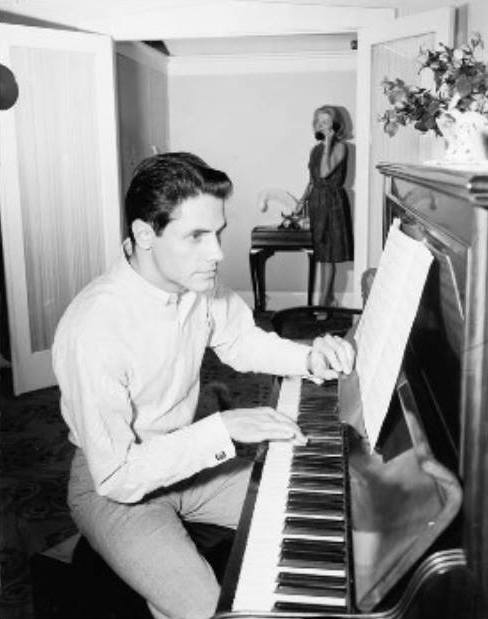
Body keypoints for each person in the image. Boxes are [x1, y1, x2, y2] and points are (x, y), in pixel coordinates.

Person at [52, 152, 355, 619]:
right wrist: (224, 428)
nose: (216, 253)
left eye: (218, 234)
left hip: (187, 465)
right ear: (143, 235)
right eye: (196, 236)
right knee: (210, 610)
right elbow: (117, 475)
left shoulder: (200, 287)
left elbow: (245, 344)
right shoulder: (94, 327)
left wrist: (312, 356)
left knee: (320, 514)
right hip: (113, 486)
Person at [296, 105, 354, 307]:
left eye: (326, 122)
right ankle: (327, 297)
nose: (321, 126)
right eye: (318, 122)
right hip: (316, 203)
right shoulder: (315, 150)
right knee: (321, 254)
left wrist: (329, 143)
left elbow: (324, 172)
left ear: (336, 125)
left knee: (329, 255)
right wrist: (301, 201)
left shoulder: (340, 147)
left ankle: (323, 301)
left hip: (332, 203)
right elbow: (313, 180)